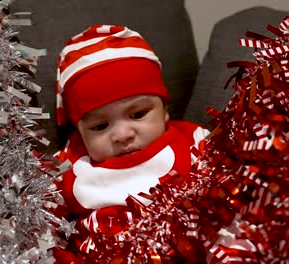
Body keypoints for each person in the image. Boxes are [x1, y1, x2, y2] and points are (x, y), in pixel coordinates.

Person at [52, 24, 209, 262]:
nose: (122, 135)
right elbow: (35, 200)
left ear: (165, 110)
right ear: (80, 132)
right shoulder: (71, 161)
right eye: (100, 127)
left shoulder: (192, 141)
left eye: (138, 115)